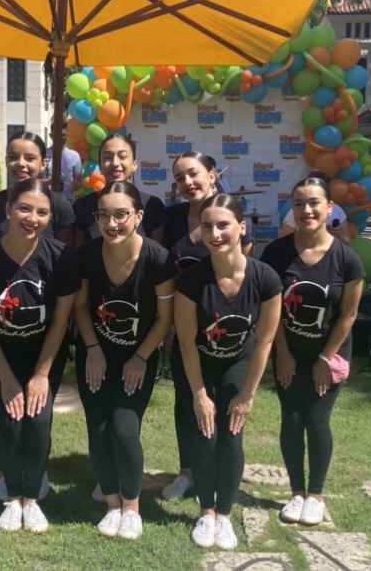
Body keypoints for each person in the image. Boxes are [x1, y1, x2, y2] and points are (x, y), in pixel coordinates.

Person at [0, 179, 80, 534]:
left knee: (39, 421)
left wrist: (41, 375)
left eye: (42, 212)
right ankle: (13, 498)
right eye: (24, 209)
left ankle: (32, 498)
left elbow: (61, 320)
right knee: (11, 423)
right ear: (8, 209)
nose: (32, 218)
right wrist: (7, 379)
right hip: (2, 356)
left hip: (46, 354)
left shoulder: (61, 257)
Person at [174, 194, 281, 550]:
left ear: (241, 227)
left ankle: (224, 514)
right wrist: (200, 395)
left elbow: (265, 342)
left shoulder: (265, 277)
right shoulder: (191, 281)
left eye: (223, 225)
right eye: (207, 226)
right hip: (201, 363)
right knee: (205, 433)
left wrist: (247, 396)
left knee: (232, 435)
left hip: (239, 362)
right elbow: (187, 343)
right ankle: (206, 513)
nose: (215, 233)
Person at [73, 181, 175, 540]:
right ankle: (113, 502)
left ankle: (132, 508)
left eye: (121, 215)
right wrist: (93, 350)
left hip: (138, 357)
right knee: (99, 429)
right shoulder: (86, 255)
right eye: (104, 215)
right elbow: (81, 308)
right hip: (95, 355)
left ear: (138, 216)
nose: (112, 223)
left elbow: (165, 318)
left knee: (123, 429)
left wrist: (140, 357)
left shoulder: (158, 259)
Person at [260, 176, 364, 527]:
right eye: (299, 203)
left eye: (314, 203)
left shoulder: (347, 259)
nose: (306, 210)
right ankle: (295, 492)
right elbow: (270, 310)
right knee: (291, 419)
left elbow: (348, 314)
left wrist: (325, 358)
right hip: (289, 350)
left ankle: (315, 495)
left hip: (329, 353)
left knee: (317, 420)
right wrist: (283, 353)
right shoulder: (276, 253)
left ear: (329, 207)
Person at [161, 151, 254, 502]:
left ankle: (222, 473)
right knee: (187, 403)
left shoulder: (230, 217)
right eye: (180, 177)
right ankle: (188, 472)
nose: (187, 182)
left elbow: (242, 276)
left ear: (212, 175)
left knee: (225, 405)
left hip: (224, 331)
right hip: (181, 328)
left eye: (194, 174)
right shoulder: (170, 218)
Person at [0, 131, 75, 245]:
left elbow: (65, 258)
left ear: (43, 164)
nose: (21, 163)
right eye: (13, 157)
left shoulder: (60, 206)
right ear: (6, 161)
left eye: (30, 158)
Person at [73, 134, 166, 248]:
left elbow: (156, 257)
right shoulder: (83, 206)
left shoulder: (152, 205)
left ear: (134, 165)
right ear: (100, 166)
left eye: (122, 156)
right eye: (107, 157)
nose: (115, 163)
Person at [280, 171, 349, 244]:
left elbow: (347, 241)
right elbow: (285, 242)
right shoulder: (297, 211)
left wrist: (337, 235)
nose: (307, 211)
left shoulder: (338, 210)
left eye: (315, 202)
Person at [42, 119, 82, 204]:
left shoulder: (74, 156)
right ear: (51, 136)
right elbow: (34, 180)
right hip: (46, 200)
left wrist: (75, 185)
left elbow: (79, 183)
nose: (60, 138)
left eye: (63, 135)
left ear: (67, 136)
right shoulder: (43, 153)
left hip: (68, 201)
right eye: (56, 135)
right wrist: (49, 182)